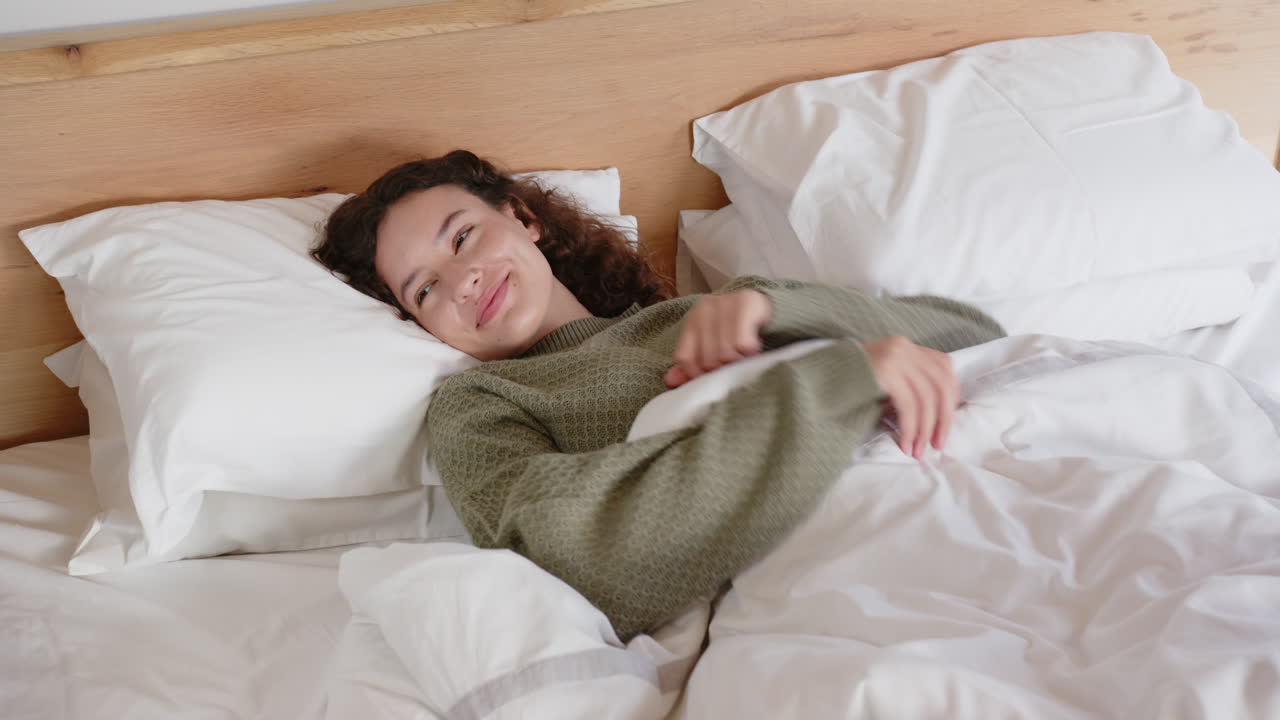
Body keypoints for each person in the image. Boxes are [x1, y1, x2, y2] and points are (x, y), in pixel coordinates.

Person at [313, 150, 1005, 640]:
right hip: (845, 567)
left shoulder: (726, 309)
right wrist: (836, 380)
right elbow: (574, 559)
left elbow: (979, 342)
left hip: (973, 483)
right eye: (425, 289)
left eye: (463, 236)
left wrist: (783, 313)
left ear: (524, 217)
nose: (461, 279)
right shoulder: (482, 406)